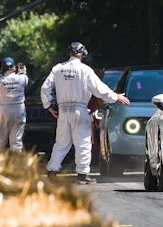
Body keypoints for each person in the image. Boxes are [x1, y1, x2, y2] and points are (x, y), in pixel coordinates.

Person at [40, 42, 129, 183]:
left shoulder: (57, 69)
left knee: (61, 143)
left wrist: (49, 105)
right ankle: (82, 174)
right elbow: (99, 89)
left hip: (63, 110)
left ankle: (52, 170)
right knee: (83, 142)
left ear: (69, 53)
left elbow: (45, 88)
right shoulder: (85, 70)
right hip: (80, 109)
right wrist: (115, 97)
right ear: (82, 54)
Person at [0, 56, 30, 151]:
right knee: (16, 141)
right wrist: (22, 69)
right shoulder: (22, 79)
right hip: (19, 109)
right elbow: (24, 75)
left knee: (0, 139)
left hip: (4, 110)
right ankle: (17, 164)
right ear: (14, 67)